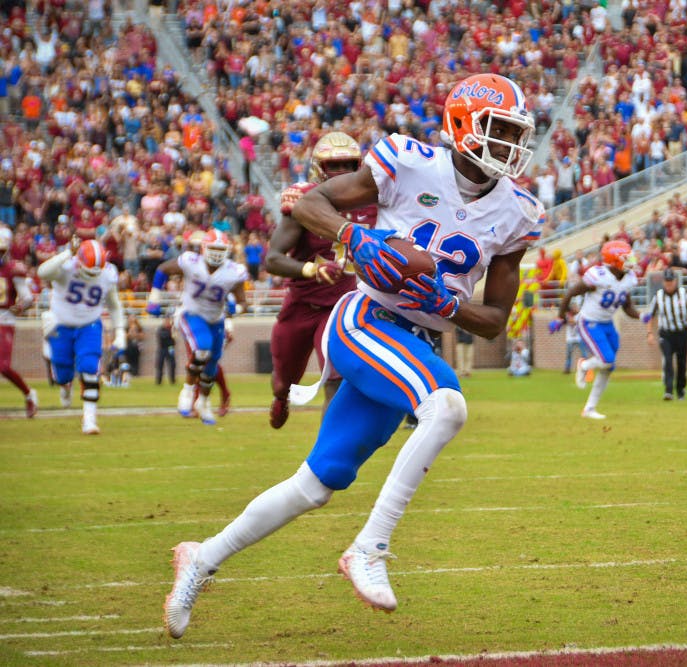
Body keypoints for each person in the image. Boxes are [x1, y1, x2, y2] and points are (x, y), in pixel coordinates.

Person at [163, 73, 542, 639]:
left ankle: (201, 556)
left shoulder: (518, 211)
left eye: (516, 132)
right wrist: (354, 237)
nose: (511, 145)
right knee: (447, 407)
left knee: (320, 481)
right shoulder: (409, 160)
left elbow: (492, 323)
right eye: (499, 130)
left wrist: (448, 302)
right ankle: (370, 547)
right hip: (363, 319)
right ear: (462, 125)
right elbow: (312, 203)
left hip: (413, 340)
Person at [264, 131, 376, 428]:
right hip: (301, 305)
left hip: (341, 307)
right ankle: (281, 396)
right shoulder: (303, 202)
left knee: (336, 380)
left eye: (348, 165)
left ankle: (327, 454)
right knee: (282, 381)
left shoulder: (373, 204)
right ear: (318, 168)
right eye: (333, 166)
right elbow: (272, 259)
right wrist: (311, 270)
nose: (341, 173)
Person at [147, 230, 248, 425]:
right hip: (191, 313)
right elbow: (163, 269)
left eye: (221, 249)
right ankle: (186, 393)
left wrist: (236, 308)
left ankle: (203, 402)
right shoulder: (191, 262)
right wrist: (154, 297)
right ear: (204, 248)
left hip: (216, 319)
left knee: (211, 366)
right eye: (213, 249)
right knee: (202, 349)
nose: (217, 253)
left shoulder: (234, 271)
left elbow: (243, 302)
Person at [38, 239, 125, 434]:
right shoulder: (67, 267)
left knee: (89, 367)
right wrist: (67, 252)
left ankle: (89, 419)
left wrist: (120, 331)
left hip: (90, 325)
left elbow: (114, 304)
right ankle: (65, 386)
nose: (92, 276)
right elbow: (42, 272)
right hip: (62, 324)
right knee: (63, 372)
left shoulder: (108, 274)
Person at [552, 240, 641, 419]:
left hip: (608, 324)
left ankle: (589, 409)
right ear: (614, 261)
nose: (630, 261)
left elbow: (627, 307)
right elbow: (570, 293)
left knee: (609, 366)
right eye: (626, 258)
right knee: (606, 359)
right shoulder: (598, 276)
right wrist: (560, 317)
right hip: (589, 322)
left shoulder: (629, 278)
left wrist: (642, 316)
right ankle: (583, 365)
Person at [0, 226, 38, 417]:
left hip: (4, 319)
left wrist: (19, 308)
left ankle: (29, 393)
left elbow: (28, 297)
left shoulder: (13, 269)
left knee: (3, 367)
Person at [645, 269, 687, 401]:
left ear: (675, 281)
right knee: (668, 361)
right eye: (666, 281)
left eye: (671, 281)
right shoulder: (658, 296)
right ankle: (668, 390)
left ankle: (681, 391)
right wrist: (649, 333)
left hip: (681, 333)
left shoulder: (683, 294)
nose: (669, 284)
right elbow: (650, 316)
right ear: (663, 282)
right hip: (666, 334)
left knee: (682, 363)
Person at [156, 314, 177, 385]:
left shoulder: (172, 329)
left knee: (172, 364)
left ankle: (172, 380)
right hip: (162, 349)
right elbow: (162, 336)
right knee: (160, 365)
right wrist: (170, 334)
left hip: (170, 348)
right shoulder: (161, 329)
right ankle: (159, 381)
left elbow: (174, 340)